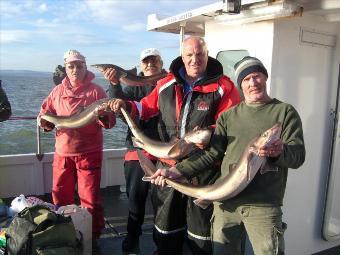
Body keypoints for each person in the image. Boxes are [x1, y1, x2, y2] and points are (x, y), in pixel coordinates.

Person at [150, 56, 306, 255]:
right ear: (241, 84)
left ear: (265, 78)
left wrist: (279, 152)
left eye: (257, 76)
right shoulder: (228, 116)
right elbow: (210, 155)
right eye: (247, 79)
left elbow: (298, 156)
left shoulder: (284, 112)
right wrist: (175, 171)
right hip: (225, 204)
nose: (253, 83)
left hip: (263, 205)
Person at [108, 37, 240, 255]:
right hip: (167, 169)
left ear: (207, 55)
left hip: (204, 172)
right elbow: (145, 108)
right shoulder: (167, 82)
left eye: (200, 54)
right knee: (165, 232)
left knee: (201, 236)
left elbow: (226, 128)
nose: (194, 59)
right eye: (189, 55)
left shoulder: (224, 87)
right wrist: (126, 105)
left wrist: (206, 136)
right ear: (183, 56)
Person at [38, 50, 116, 253]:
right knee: (60, 196)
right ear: (65, 68)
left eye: (79, 66)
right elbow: (45, 114)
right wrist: (44, 122)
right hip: (62, 153)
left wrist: (104, 114)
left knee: (90, 198)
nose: (75, 70)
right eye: (71, 66)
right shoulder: (57, 92)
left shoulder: (97, 91)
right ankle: (64, 234)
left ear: (85, 67)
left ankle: (93, 236)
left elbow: (109, 123)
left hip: (89, 153)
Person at [103, 48, 165, 254]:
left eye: (153, 60)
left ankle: (162, 243)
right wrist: (114, 85)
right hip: (137, 147)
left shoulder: (170, 84)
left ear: (160, 62)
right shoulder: (132, 88)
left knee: (162, 200)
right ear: (140, 65)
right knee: (135, 198)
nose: (149, 64)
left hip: (165, 149)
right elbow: (119, 109)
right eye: (145, 62)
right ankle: (132, 240)